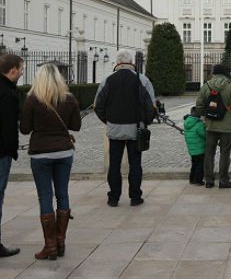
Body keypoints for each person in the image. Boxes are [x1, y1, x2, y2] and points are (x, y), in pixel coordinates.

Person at [20, 63, 81, 260]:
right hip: (63, 152)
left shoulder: (32, 100)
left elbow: (25, 129)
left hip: (40, 154)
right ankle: (61, 241)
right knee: (63, 194)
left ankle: (50, 245)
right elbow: (76, 126)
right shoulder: (69, 99)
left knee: (45, 197)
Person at [94, 50, 155, 207]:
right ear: (131, 61)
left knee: (114, 164)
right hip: (135, 128)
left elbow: (98, 105)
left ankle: (113, 197)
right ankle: (135, 197)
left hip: (114, 129)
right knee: (135, 164)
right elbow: (151, 106)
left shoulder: (107, 80)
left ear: (117, 62)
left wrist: (108, 120)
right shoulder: (142, 79)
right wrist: (145, 122)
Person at [196, 64, 231, 189]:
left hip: (210, 124)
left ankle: (209, 180)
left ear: (214, 73)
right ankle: (223, 180)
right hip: (226, 126)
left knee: (209, 153)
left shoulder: (206, 86)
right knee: (224, 153)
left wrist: (205, 116)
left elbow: (199, 105)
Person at [0, 53, 24, 257]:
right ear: (13, 70)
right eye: (21, 69)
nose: (22, 72)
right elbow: (9, 128)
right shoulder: (7, 94)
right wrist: (11, 150)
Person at [183, 111, 206, 186]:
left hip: (192, 150)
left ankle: (192, 179)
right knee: (200, 165)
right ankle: (198, 180)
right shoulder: (198, 124)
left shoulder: (187, 123)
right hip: (200, 149)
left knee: (194, 165)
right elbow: (204, 134)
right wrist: (204, 124)